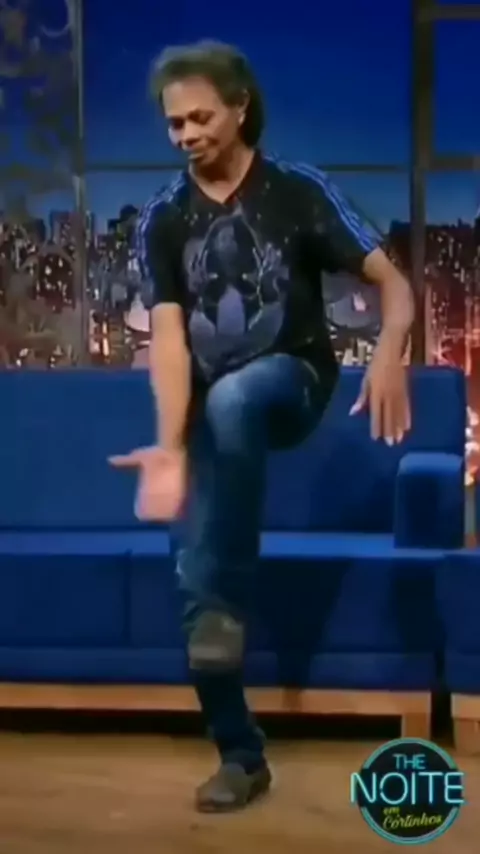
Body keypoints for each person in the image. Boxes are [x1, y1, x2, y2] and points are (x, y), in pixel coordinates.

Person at [109, 40, 414, 813]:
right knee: (195, 586)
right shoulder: (163, 219)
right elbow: (169, 338)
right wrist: (169, 448)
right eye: (173, 124)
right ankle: (240, 756)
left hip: (293, 381)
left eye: (200, 118)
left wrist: (388, 352)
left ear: (241, 107)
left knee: (238, 401)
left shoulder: (296, 190)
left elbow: (393, 282)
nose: (185, 135)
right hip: (211, 408)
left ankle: (229, 595)